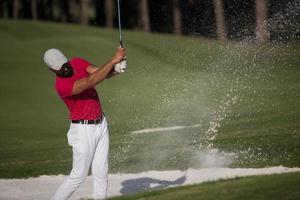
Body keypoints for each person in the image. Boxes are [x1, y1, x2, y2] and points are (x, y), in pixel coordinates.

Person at [43, 47, 126, 200]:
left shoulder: (77, 62)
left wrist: (116, 69)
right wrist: (113, 60)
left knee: (101, 171)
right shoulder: (61, 86)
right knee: (78, 176)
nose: (66, 68)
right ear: (52, 70)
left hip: (101, 124)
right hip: (82, 131)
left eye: (65, 64)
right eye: (61, 69)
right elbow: (91, 81)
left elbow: (99, 73)